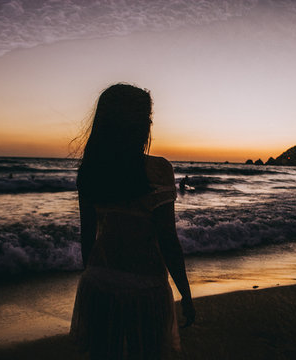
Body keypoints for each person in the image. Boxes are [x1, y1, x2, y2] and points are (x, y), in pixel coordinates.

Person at [70, 84, 195, 359]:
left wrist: (93, 281)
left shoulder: (91, 171)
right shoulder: (158, 170)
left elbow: (87, 238)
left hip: (99, 282)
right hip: (145, 286)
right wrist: (185, 294)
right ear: (138, 125)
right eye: (147, 119)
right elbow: (168, 241)